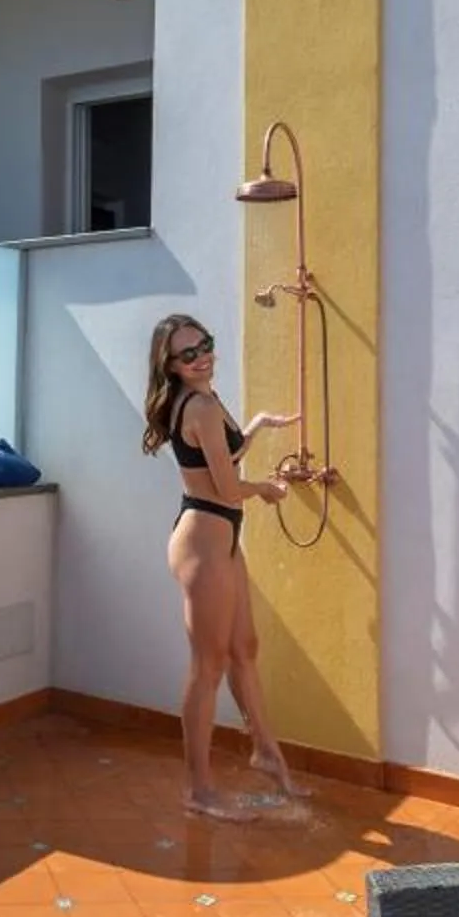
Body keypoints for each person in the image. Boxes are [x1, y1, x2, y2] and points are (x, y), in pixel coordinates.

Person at [140, 312, 307, 819]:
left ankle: (265, 752)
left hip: (219, 535)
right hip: (204, 540)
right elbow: (230, 488)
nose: (202, 357)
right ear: (170, 365)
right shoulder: (201, 406)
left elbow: (220, 461)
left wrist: (254, 427)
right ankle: (198, 790)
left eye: (205, 345)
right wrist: (267, 490)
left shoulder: (203, 400)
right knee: (208, 666)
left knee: (243, 648)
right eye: (188, 354)